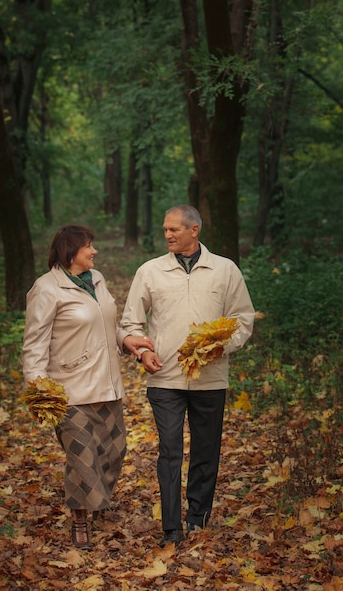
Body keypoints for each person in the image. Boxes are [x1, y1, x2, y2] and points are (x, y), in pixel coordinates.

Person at [120, 205, 255, 547]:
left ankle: (198, 519)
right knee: (169, 451)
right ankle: (171, 528)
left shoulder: (224, 270)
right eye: (165, 229)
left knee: (206, 451)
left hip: (210, 378)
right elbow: (131, 323)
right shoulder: (150, 271)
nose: (167, 235)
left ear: (194, 230)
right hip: (165, 377)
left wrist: (223, 347)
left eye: (174, 230)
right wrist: (143, 351)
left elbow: (242, 318)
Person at [22, 225, 154, 550]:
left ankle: (95, 502)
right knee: (82, 456)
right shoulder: (46, 288)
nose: (94, 251)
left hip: (106, 385)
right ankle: (80, 519)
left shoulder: (97, 280)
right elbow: (34, 344)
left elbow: (108, 325)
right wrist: (39, 391)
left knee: (115, 450)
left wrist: (127, 339)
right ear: (70, 252)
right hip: (68, 390)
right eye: (88, 247)